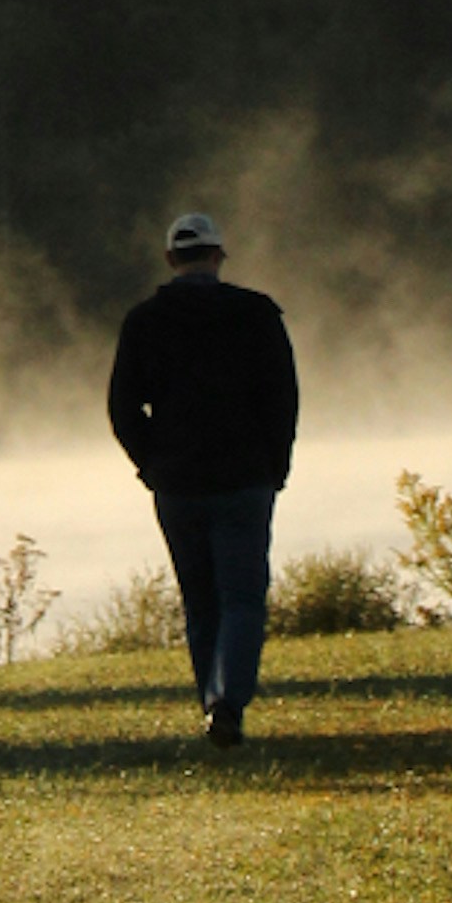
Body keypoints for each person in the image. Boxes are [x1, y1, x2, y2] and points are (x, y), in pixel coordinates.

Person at [108, 207, 299, 748]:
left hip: (178, 483)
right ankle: (226, 701)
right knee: (242, 597)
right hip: (244, 478)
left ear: (171, 259)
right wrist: (275, 463)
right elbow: (283, 398)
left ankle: (211, 701)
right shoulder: (258, 315)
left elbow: (122, 407)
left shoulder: (144, 321)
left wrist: (152, 464)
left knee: (200, 600)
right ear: (219, 256)